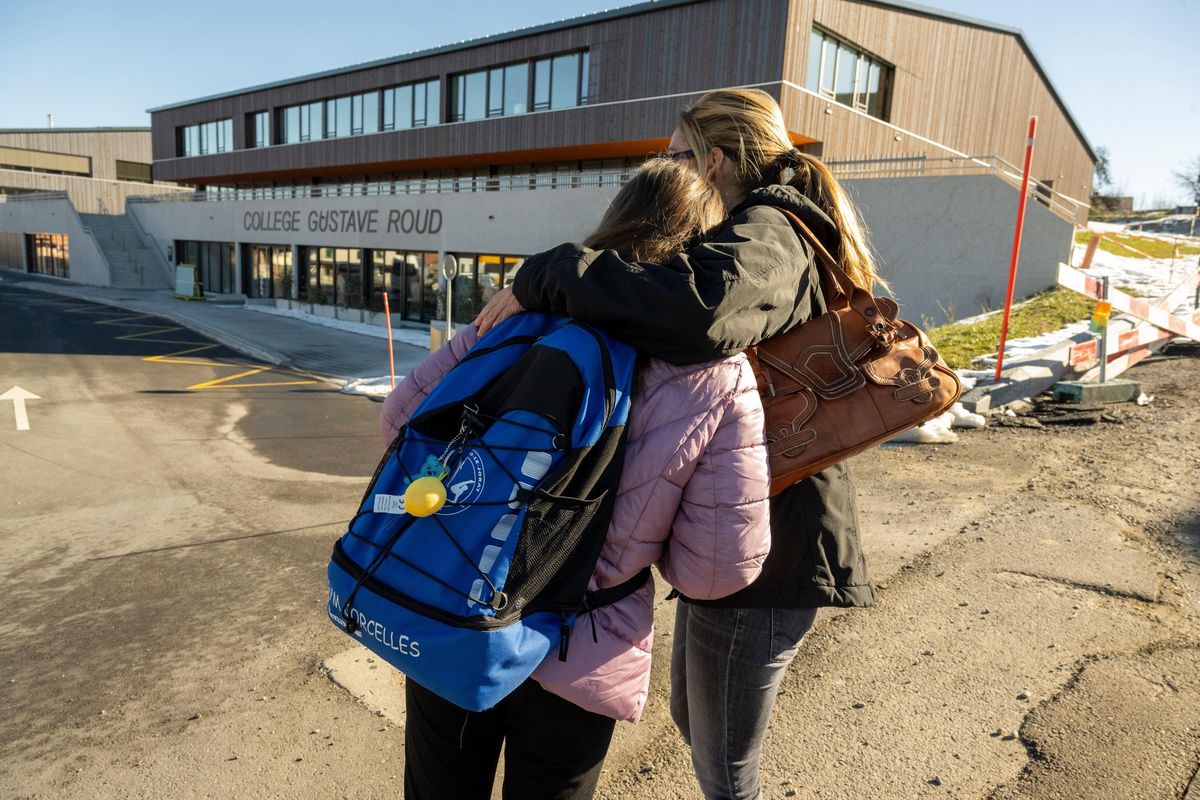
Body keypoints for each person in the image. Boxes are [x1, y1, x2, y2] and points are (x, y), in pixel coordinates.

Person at [475, 87, 885, 800]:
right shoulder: (765, 225)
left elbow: (695, 312)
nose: (665, 172)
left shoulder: (773, 228)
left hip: (773, 549)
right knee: (697, 726)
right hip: (740, 528)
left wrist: (548, 274)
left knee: (724, 765)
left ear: (716, 160)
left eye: (674, 157)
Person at [380, 157, 775, 800]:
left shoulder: (525, 305)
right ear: (707, 246)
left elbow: (400, 421)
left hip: (459, 594)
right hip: (584, 640)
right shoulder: (716, 373)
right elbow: (716, 571)